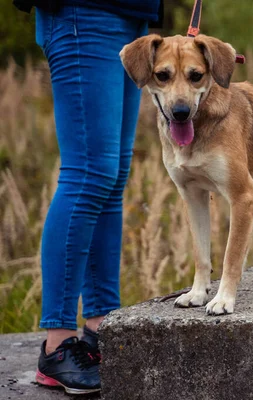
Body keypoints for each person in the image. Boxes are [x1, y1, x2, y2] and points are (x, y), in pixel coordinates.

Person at [12, 0, 162, 394]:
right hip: (84, 12)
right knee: (88, 175)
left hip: (133, 16)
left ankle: (99, 329)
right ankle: (57, 345)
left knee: (111, 180)